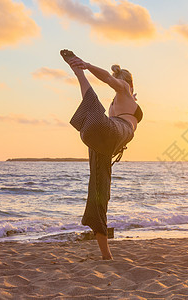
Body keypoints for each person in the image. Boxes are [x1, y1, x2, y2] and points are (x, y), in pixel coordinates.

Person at [61, 49, 142, 260]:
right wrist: (85, 65)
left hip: (103, 135)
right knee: (100, 193)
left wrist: (85, 67)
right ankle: (79, 71)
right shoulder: (122, 93)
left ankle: (79, 73)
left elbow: (106, 81)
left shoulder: (120, 97)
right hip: (110, 135)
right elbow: (107, 78)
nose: (116, 86)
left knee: (99, 192)